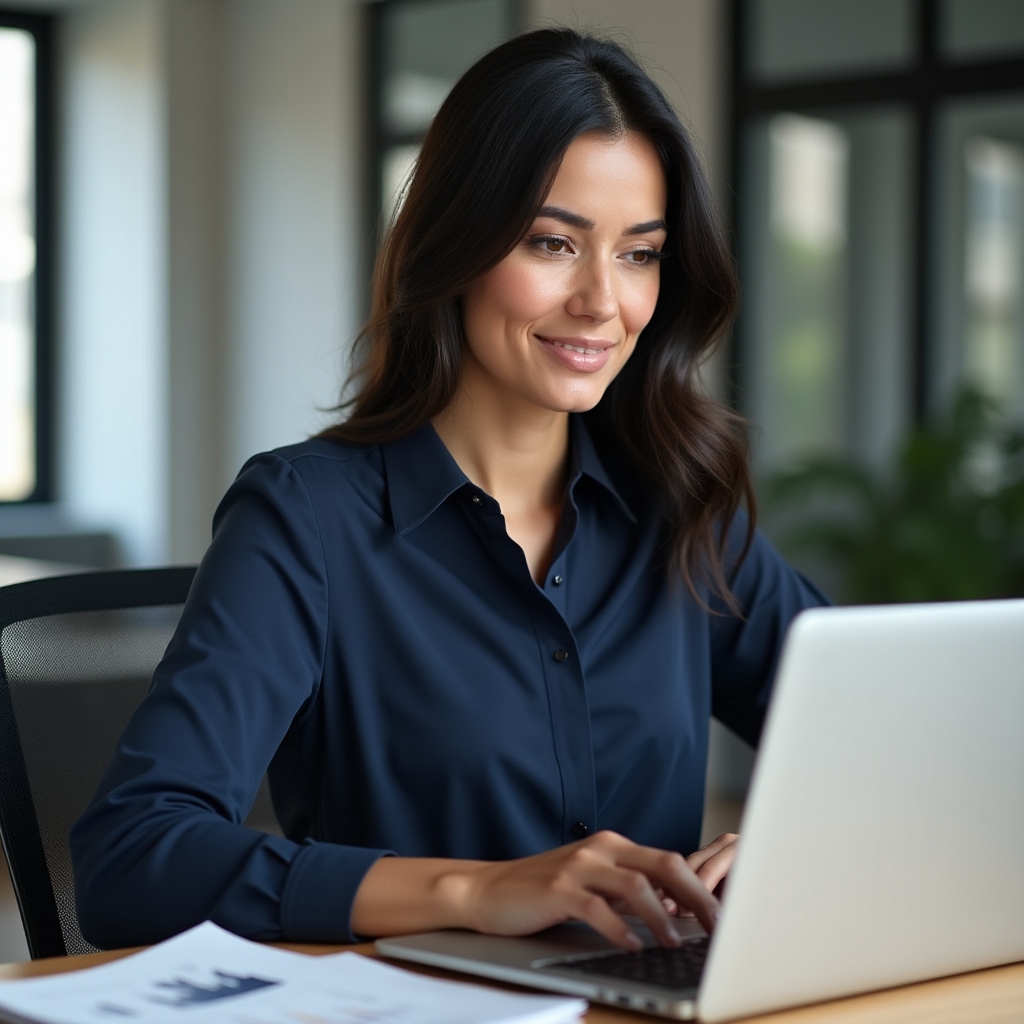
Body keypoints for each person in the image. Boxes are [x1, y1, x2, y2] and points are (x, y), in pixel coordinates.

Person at [71, 29, 827, 953]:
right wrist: (478, 891)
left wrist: (788, 844)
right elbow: (133, 858)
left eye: (640, 254)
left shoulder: (679, 505)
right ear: (457, 246)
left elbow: (895, 737)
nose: (602, 301)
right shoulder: (306, 519)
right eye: (553, 243)